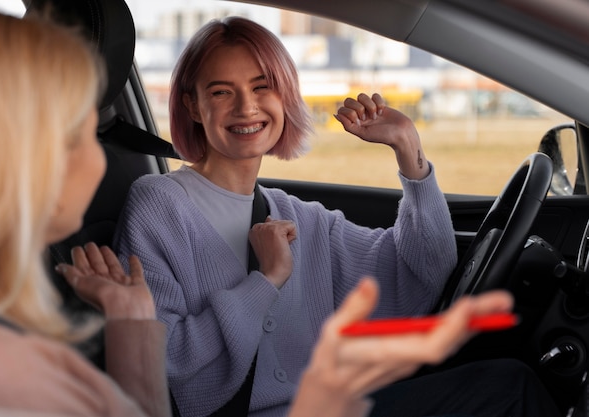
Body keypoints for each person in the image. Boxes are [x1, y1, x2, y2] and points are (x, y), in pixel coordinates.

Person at [111, 15, 561, 417]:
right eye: (221, 91)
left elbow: (423, 269)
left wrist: (408, 152)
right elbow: (159, 356)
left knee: (505, 380)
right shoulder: (159, 205)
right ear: (192, 106)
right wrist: (265, 282)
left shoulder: (297, 217)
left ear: (282, 96)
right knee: (511, 390)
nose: (246, 107)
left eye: (260, 87)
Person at [0, 7, 170, 417]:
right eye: (86, 133)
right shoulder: (10, 383)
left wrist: (130, 317)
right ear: (37, 166)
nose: (100, 159)